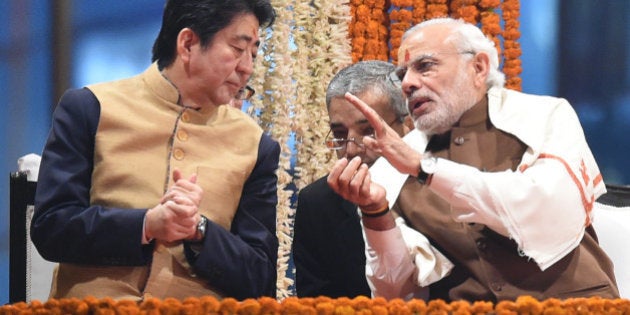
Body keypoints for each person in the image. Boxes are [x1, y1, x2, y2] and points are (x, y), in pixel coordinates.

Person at [327, 17, 620, 302]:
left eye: (424, 66)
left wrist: (424, 169)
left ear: (478, 67)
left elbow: (548, 209)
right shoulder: (393, 169)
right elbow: (396, 295)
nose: (408, 84)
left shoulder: (544, 116)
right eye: (403, 75)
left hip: (575, 305)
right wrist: (376, 214)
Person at [31, 0, 279, 301]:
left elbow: (260, 277)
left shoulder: (255, 145)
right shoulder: (91, 108)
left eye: (253, 53)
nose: (247, 68)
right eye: (238, 49)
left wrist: (198, 230)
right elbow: (51, 228)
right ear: (187, 43)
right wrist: (146, 224)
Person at [293, 60, 452, 299]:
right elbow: (316, 301)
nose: (351, 150)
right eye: (339, 134)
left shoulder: (443, 185)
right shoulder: (318, 202)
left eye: (368, 131)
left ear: (408, 126)